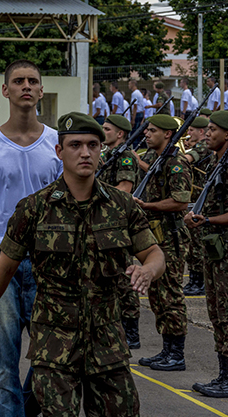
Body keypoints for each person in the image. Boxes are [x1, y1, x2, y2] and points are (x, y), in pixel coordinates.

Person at [0, 112, 165, 417]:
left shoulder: (122, 207)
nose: (85, 153)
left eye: (93, 145)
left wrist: (148, 270)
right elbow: (4, 269)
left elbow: (154, 252)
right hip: (55, 348)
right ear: (59, 151)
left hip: (107, 345)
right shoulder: (34, 209)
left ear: (101, 150)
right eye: (76, 145)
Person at [0, 59, 63, 417]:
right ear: (5, 91)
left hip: (48, 262)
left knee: (52, 356)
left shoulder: (57, 145)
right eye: (17, 81)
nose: (25, 86)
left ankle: (21, 412)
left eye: (32, 81)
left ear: (40, 91)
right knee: (4, 362)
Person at [133, 114, 192, 372]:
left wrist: (148, 206)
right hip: (156, 235)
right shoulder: (157, 159)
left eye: (152, 130)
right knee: (157, 296)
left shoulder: (176, 163)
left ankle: (176, 353)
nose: (146, 133)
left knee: (171, 296)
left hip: (170, 237)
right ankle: (166, 349)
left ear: (168, 134)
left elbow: (180, 201)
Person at [185, 110, 228, 398]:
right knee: (215, 311)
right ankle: (223, 373)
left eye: (212, 129)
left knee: (225, 313)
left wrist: (208, 221)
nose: (206, 134)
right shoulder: (216, 161)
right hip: (215, 249)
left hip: (224, 249)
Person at [99, 115, 142, 349]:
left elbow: (124, 189)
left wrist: (94, 193)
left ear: (120, 134)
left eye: (106, 129)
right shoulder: (107, 155)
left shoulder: (125, 157)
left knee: (124, 277)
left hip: (118, 225)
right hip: (106, 223)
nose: (102, 131)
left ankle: (131, 333)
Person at [183, 117, 213, 296]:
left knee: (197, 245)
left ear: (201, 132)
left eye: (191, 130)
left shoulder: (202, 147)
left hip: (202, 201)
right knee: (192, 244)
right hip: (194, 200)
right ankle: (194, 280)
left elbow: (186, 160)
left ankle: (199, 281)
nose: (188, 133)